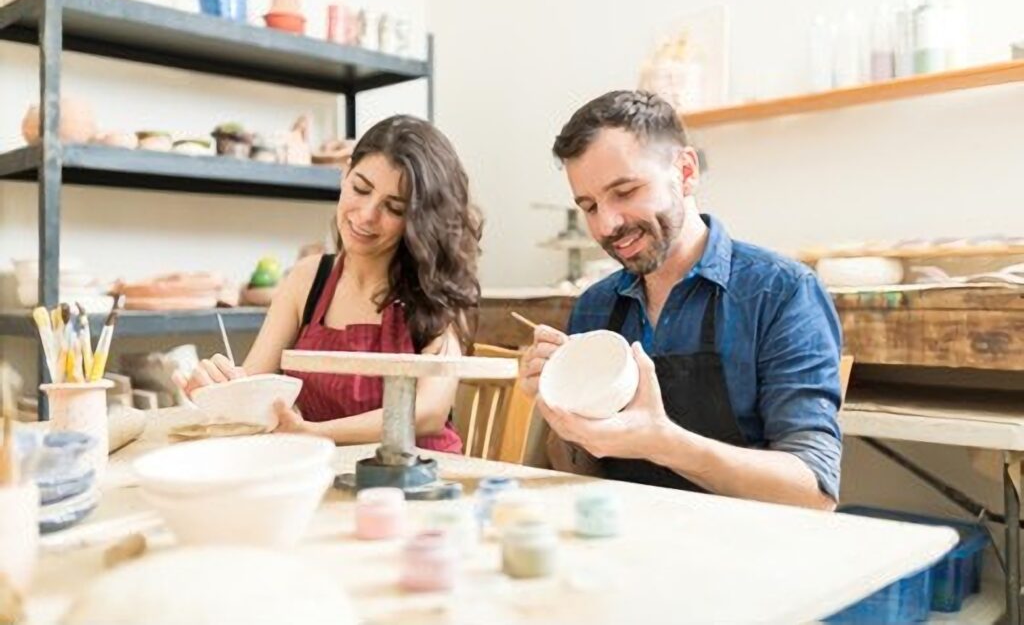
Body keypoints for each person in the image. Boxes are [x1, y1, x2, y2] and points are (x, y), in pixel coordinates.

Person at [519, 91, 843, 509]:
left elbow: (812, 493)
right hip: (626, 545)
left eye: (625, 191)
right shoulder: (596, 306)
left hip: (749, 553)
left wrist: (663, 443)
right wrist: (561, 413)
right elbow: (581, 477)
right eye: (589, 206)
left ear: (686, 172)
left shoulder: (781, 293)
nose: (607, 224)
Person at [174, 115, 482, 453]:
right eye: (360, 189)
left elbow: (427, 414)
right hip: (329, 470)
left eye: (393, 208)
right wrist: (218, 390)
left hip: (422, 478)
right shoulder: (308, 280)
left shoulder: (434, 288)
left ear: (419, 219)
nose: (366, 215)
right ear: (345, 173)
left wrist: (313, 433)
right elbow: (251, 384)